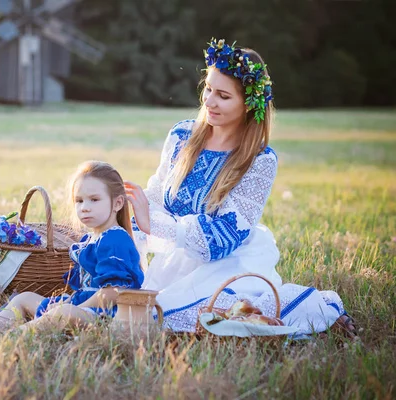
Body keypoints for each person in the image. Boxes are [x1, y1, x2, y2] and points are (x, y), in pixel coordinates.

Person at [124, 38, 356, 338]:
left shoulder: (259, 160)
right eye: (208, 89)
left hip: (230, 263)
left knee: (184, 318)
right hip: (177, 261)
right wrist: (129, 239)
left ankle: (317, 307)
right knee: (137, 310)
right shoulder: (182, 135)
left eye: (222, 95)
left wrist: (154, 224)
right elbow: (156, 197)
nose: (208, 101)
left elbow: (224, 238)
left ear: (249, 104)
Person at [0, 160, 144, 332]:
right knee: (24, 298)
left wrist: (76, 307)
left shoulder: (115, 238)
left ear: (117, 203)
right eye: (79, 201)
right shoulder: (90, 239)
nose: (85, 208)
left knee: (63, 312)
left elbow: (114, 292)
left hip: (108, 316)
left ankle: (15, 337)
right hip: (82, 307)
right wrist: (67, 302)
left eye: (94, 200)